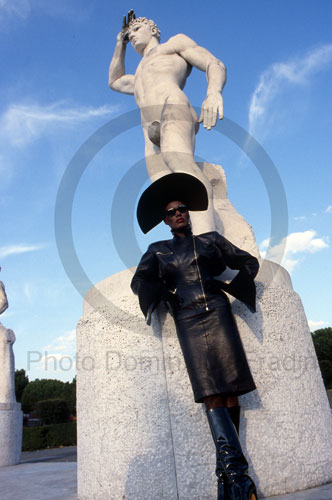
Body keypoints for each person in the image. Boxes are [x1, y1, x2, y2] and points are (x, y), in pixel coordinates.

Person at [131, 173, 259, 500]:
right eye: (172, 211)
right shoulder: (157, 251)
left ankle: (228, 483)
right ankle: (241, 484)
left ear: (189, 213)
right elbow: (140, 282)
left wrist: (227, 279)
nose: (179, 214)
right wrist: (165, 293)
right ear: (165, 220)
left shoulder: (211, 241)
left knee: (231, 391)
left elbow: (245, 263)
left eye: (183, 209)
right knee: (210, 393)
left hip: (218, 313)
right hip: (188, 319)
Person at [109, 10, 226, 233]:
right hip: (148, 129)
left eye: (136, 29)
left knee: (182, 168)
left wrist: (213, 93)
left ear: (153, 30)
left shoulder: (173, 46)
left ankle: (206, 240)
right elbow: (115, 81)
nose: (131, 35)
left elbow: (214, 63)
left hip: (171, 106)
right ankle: (183, 244)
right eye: (129, 33)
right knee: (163, 188)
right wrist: (119, 43)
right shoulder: (139, 71)